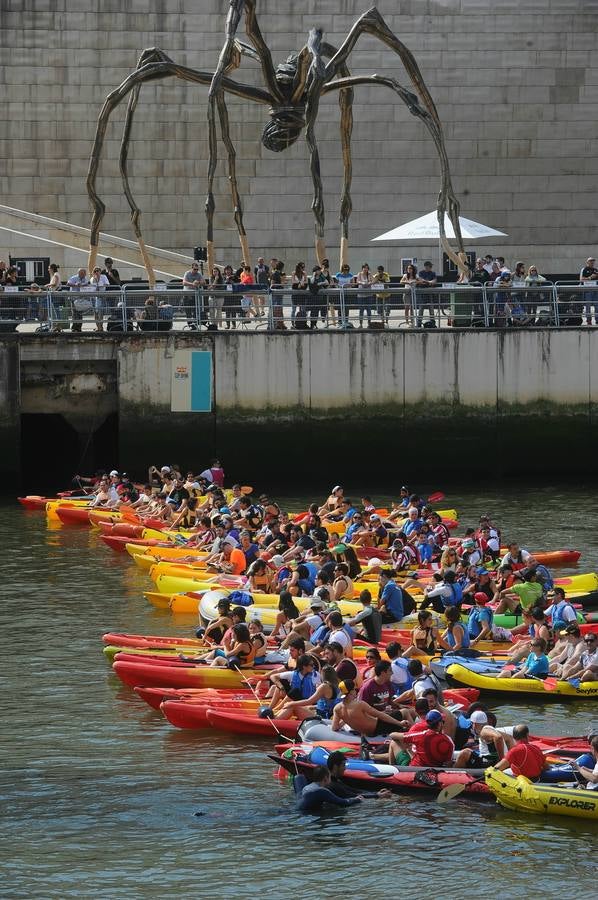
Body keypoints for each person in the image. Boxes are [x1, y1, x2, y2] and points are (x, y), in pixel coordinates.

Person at [331, 680, 410, 737]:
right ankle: (416, 734)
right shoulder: (359, 704)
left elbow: (335, 727)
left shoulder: (337, 708)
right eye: (355, 689)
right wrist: (399, 723)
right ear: (351, 691)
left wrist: (345, 720)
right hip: (378, 729)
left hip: (366, 732)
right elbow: (380, 715)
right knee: (405, 711)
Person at [387, 710, 455, 767]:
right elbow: (448, 764)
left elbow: (392, 735)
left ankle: (391, 770)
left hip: (413, 770)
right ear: (440, 724)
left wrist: (407, 747)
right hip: (435, 772)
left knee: (393, 742)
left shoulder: (420, 735)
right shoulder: (449, 741)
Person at [275, 665, 341, 721]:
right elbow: (329, 704)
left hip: (321, 718)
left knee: (293, 706)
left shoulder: (324, 686)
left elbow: (309, 701)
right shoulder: (337, 685)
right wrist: (313, 707)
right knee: (299, 706)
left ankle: (274, 721)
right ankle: (275, 716)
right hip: (324, 715)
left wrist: (292, 703)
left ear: (323, 675)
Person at [294, 765, 363, 813]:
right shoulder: (322, 791)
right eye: (330, 776)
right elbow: (344, 803)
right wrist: (356, 799)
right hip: (301, 813)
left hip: (299, 809)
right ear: (325, 778)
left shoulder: (307, 788)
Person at [326, 750, 391, 800]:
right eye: (343, 765)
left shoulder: (336, 782)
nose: (345, 768)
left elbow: (355, 791)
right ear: (335, 767)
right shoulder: (332, 785)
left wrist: (376, 793)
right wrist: (378, 796)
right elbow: (352, 795)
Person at [182, 261, 205, 328]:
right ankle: (190, 324)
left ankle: (195, 324)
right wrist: (192, 284)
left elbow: (204, 282)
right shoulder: (187, 273)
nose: (196, 271)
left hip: (195, 295)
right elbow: (184, 282)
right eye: (195, 269)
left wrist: (198, 282)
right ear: (191, 268)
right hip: (187, 295)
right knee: (188, 311)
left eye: (197, 269)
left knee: (195, 310)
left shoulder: (199, 274)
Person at [416, 260, 438, 327]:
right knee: (421, 308)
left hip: (430, 293)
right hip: (422, 293)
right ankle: (419, 322)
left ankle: (432, 322)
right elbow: (420, 280)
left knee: (431, 308)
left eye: (430, 267)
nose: (429, 268)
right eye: (428, 266)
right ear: (426, 266)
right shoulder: (421, 272)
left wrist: (427, 282)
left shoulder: (433, 273)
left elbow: (434, 281)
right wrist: (428, 282)